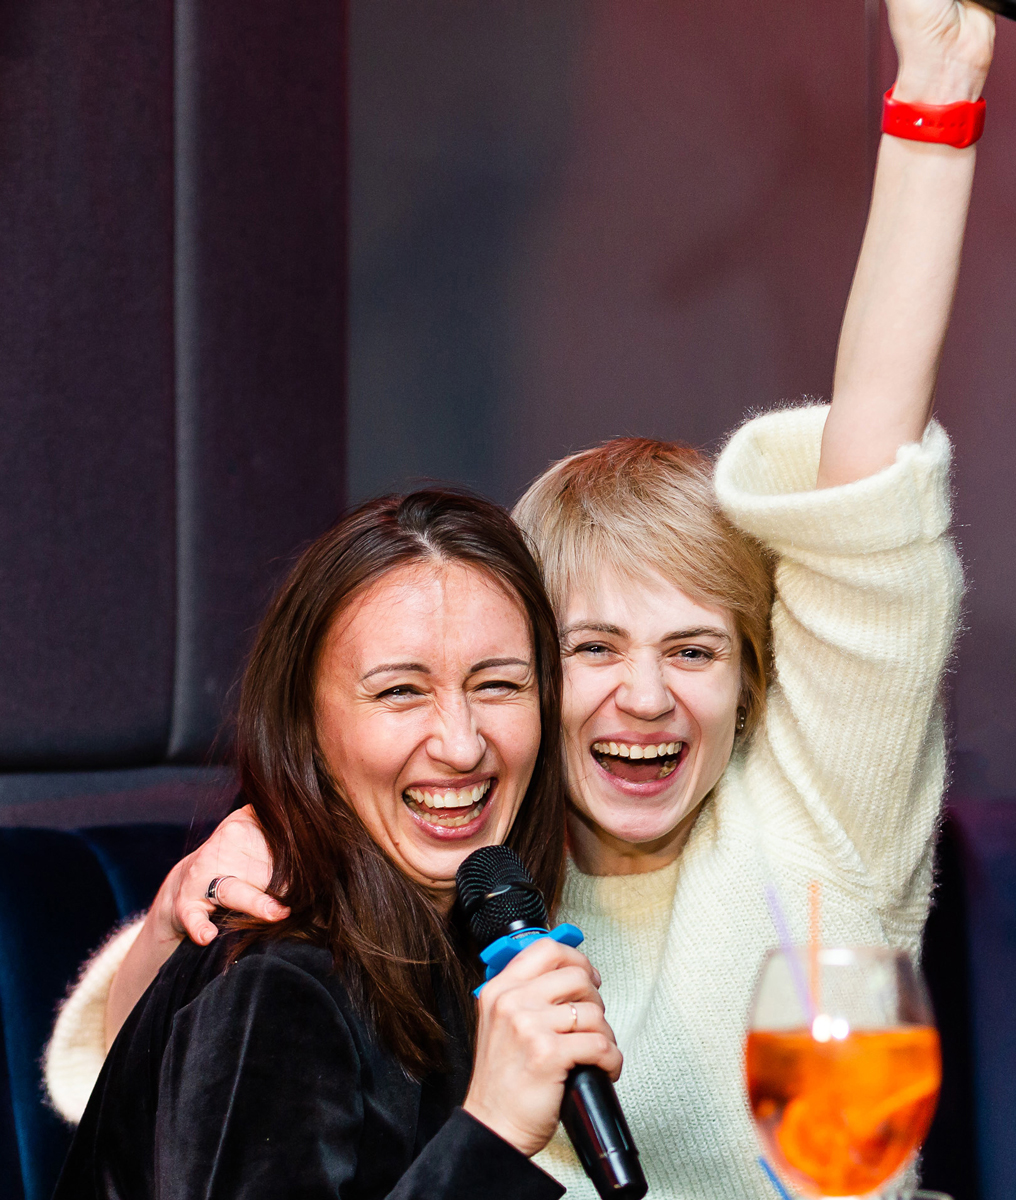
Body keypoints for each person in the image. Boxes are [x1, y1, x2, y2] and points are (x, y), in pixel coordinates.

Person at [46, 0, 998, 1195]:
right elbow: (164, 1102)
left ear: (755, 680)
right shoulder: (467, 861)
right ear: (531, 685)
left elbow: (867, 496)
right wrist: (187, 911)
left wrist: (937, 89)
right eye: (591, 648)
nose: (643, 697)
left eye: (693, 651)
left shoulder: (813, 823)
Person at [52, 490, 624, 1199]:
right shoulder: (279, 981)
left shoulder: (448, 938)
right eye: (399, 692)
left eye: (499, 685)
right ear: (308, 729)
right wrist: (495, 1134)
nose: (462, 744)